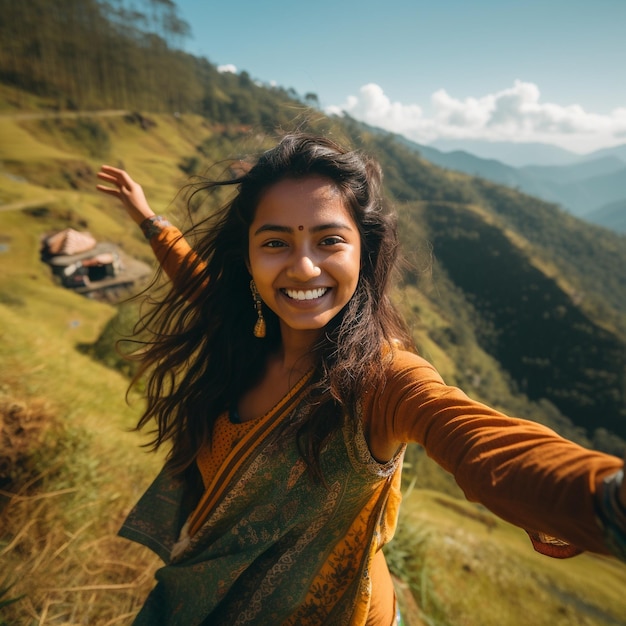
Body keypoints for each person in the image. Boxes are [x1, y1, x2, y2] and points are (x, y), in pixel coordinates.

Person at [96, 133, 626, 626]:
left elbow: (480, 442)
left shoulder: (383, 380)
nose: (303, 268)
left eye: (329, 240)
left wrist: (606, 498)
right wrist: (148, 219)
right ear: (249, 258)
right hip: (207, 599)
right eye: (276, 243)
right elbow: (198, 281)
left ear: (363, 251)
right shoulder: (245, 335)